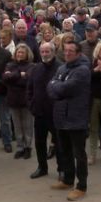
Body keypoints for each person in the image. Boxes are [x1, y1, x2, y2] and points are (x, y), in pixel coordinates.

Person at [47, 41, 91, 201]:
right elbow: (50, 87)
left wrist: (57, 86)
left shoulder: (83, 70)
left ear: (78, 53)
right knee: (64, 151)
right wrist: (58, 87)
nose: (67, 53)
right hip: (61, 116)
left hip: (76, 117)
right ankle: (68, 180)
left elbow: (67, 88)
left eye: (71, 51)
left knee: (79, 154)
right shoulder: (61, 68)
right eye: (65, 51)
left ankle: (81, 186)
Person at [27, 42, 62, 179]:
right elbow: (29, 89)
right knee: (39, 143)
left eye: (47, 51)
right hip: (39, 112)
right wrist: (31, 105)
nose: (45, 54)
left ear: (53, 52)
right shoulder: (36, 69)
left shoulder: (60, 68)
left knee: (59, 144)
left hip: (55, 114)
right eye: (42, 51)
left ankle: (62, 169)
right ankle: (42, 167)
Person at [3, 43, 35, 159]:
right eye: (18, 52)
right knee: (17, 126)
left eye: (22, 52)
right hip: (13, 100)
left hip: (26, 100)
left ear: (27, 54)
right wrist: (19, 75)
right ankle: (20, 147)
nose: (20, 54)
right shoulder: (9, 65)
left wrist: (13, 77)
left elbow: (28, 81)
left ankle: (28, 147)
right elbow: (6, 79)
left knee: (27, 125)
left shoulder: (31, 66)